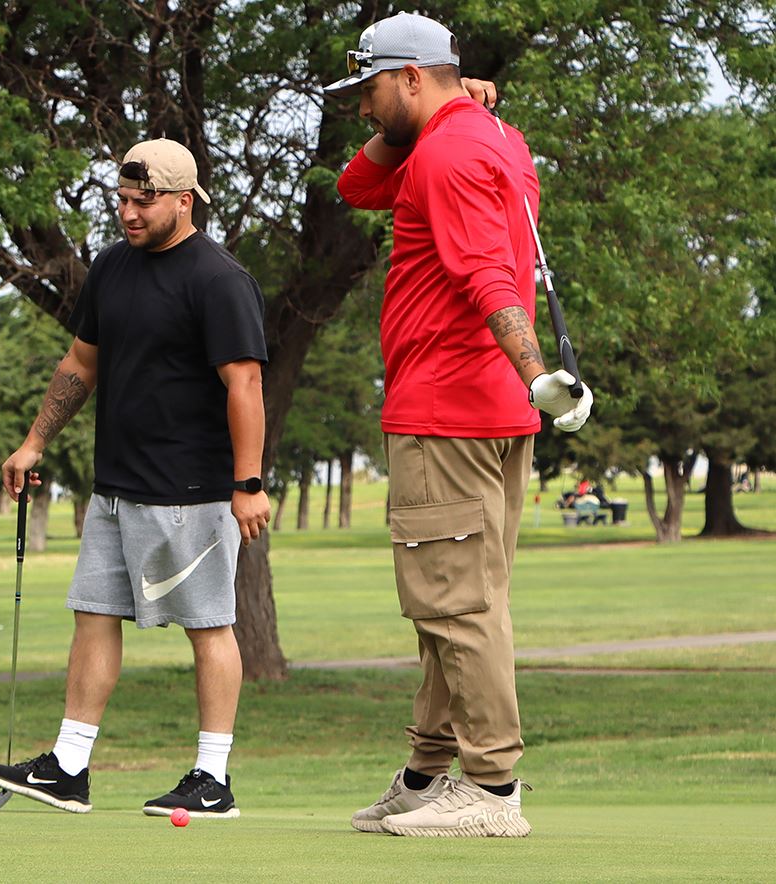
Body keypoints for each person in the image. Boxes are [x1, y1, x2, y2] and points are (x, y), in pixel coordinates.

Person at [327, 12, 594, 838]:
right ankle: (426, 775)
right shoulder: (490, 139)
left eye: (370, 89)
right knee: (457, 600)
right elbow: (356, 188)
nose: (362, 109)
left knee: (458, 606)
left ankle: (491, 790)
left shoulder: (445, 152)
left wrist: (535, 372)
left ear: (410, 76)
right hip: (483, 413)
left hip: (447, 408)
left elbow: (485, 273)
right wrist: (445, 104)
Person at [0, 138, 270, 820]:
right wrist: (33, 440)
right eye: (122, 200)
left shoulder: (218, 278)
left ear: (183, 200)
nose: (128, 213)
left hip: (192, 492)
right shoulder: (111, 268)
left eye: (144, 202)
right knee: (94, 615)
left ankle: (212, 777)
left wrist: (248, 482)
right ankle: (69, 767)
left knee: (209, 625)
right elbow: (81, 364)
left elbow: (246, 381)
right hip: (115, 489)